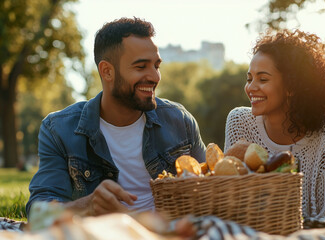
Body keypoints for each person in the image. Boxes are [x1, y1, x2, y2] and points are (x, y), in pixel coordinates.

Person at [26, 17, 206, 217]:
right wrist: (87, 204)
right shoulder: (58, 130)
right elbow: (38, 213)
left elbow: (211, 186)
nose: (154, 76)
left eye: (156, 66)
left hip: (171, 232)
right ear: (107, 71)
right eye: (141, 67)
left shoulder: (180, 121)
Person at [224, 29, 325, 219]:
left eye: (263, 79)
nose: (251, 87)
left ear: (292, 86)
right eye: (249, 78)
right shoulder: (239, 121)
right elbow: (230, 200)